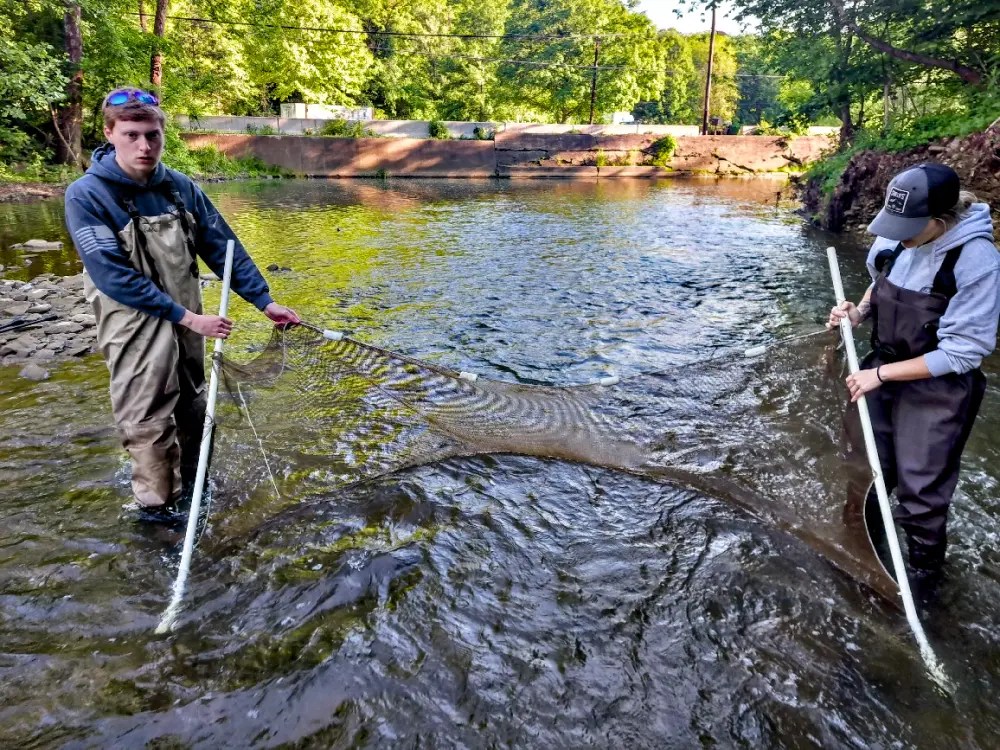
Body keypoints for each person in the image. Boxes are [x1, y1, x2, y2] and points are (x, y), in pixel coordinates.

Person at [65, 87, 300, 514]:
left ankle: (195, 495)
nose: (144, 146)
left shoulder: (180, 187)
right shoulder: (87, 195)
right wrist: (188, 318)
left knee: (195, 407)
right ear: (109, 133)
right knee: (149, 420)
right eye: (132, 134)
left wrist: (264, 302)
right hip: (134, 326)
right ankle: (157, 514)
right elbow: (111, 275)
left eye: (153, 135)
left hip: (188, 321)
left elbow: (224, 248)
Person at [828, 162, 999, 599]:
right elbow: (880, 281)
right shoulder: (898, 236)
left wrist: (881, 375)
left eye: (907, 228)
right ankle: (865, 553)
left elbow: (964, 352)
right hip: (880, 373)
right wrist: (857, 313)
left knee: (921, 490)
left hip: (938, 389)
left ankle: (923, 585)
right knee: (866, 469)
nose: (896, 234)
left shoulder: (976, 260)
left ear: (938, 223)